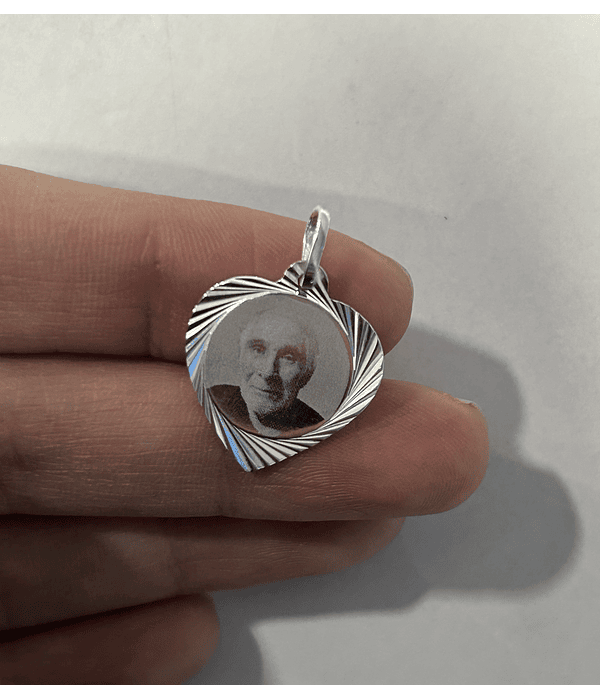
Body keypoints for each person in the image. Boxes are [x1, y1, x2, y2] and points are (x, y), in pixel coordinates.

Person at [0, 165, 488, 683]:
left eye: (289, 358)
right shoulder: (223, 392)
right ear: (236, 351)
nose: (268, 371)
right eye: (256, 348)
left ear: (310, 372)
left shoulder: (314, 413)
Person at [211, 310, 323, 437]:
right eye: (258, 350)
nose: (267, 372)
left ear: (307, 373)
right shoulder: (213, 401)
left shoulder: (317, 430)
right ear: (240, 354)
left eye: (288, 358)